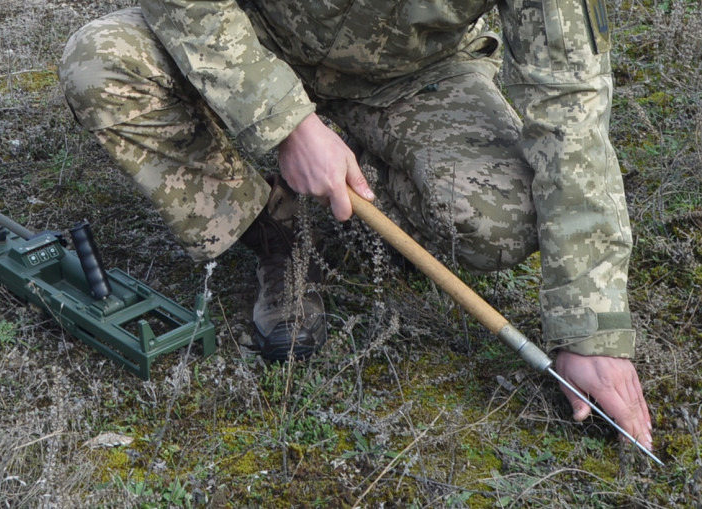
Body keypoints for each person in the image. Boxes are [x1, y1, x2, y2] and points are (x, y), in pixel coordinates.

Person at [58, 0, 653, 451]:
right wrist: (286, 122)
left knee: (497, 217)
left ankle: (356, 191)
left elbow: (569, 110)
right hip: (255, 37)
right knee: (101, 64)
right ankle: (276, 231)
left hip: (413, 76)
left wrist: (590, 333)